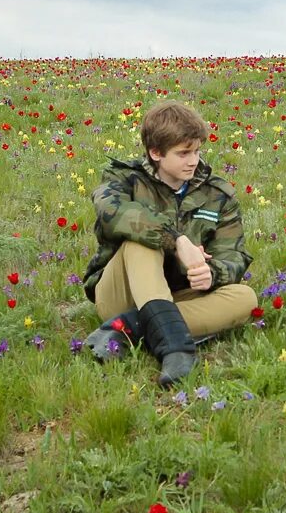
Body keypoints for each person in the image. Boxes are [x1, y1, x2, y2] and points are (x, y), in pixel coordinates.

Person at [80, 101, 257, 384]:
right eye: (184, 153)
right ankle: (176, 348)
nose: (194, 160)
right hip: (121, 293)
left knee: (246, 298)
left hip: (178, 294)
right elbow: (111, 213)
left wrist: (211, 274)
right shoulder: (123, 179)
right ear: (156, 153)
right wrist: (175, 241)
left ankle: (129, 327)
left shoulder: (218, 194)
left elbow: (233, 255)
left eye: (197, 150)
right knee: (142, 241)